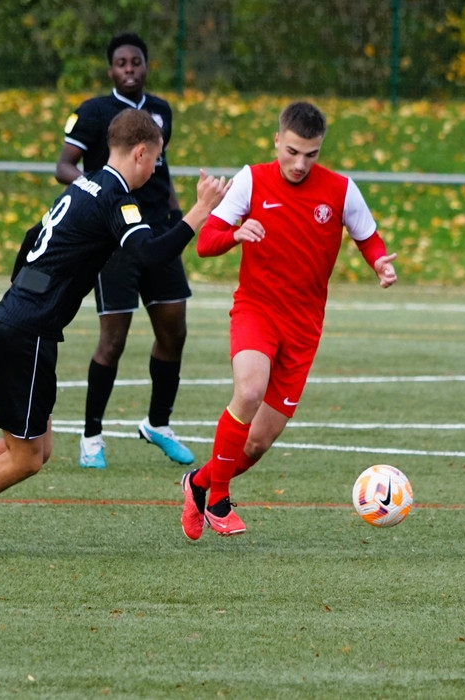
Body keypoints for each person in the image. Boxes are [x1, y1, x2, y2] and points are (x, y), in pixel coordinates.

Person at [0, 109, 230, 554]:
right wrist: (201, 209)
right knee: (26, 459)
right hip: (26, 332)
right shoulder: (115, 196)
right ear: (141, 153)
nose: (155, 169)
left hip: (18, 322)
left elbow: (31, 238)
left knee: (36, 447)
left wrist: (24, 298)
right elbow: (149, 255)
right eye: (156, 159)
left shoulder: (85, 184)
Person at [179, 101, 398, 540]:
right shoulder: (251, 180)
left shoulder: (341, 190)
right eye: (292, 151)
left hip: (304, 328)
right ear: (277, 140)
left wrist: (378, 263)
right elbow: (205, 243)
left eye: (311, 154)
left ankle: (198, 483)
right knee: (249, 390)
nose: (300, 164)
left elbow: (368, 238)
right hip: (257, 309)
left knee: (257, 442)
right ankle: (218, 499)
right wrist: (235, 234)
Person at [56, 32, 194, 469]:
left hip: (158, 235)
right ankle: (91, 436)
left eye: (137, 62)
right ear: (110, 69)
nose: (130, 69)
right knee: (112, 340)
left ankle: (158, 424)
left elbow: (161, 169)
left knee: (174, 331)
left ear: (147, 66)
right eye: (122, 63)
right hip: (115, 239)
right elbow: (63, 165)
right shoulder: (93, 111)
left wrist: (175, 214)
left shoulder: (161, 111)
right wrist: (96, 193)